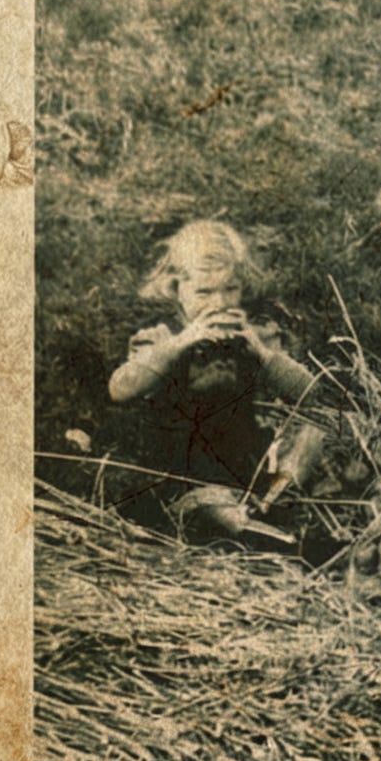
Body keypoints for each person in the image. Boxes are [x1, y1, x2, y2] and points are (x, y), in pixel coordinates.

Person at [107, 220, 326, 546]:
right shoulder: (163, 337)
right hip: (185, 466)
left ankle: (272, 501)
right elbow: (120, 389)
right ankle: (247, 528)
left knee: (314, 430)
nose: (219, 303)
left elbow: (311, 394)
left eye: (230, 289)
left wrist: (261, 352)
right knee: (206, 499)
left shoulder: (253, 334)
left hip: (243, 455)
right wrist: (183, 341)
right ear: (176, 289)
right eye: (204, 292)